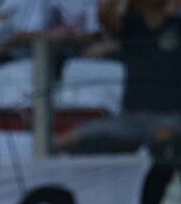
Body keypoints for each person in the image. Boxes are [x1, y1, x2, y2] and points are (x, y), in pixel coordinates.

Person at [54, 0, 181, 154]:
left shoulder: (176, 26)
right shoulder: (133, 26)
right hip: (130, 116)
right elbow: (104, 16)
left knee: (164, 138)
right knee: (63, 140)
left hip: (171, 116)